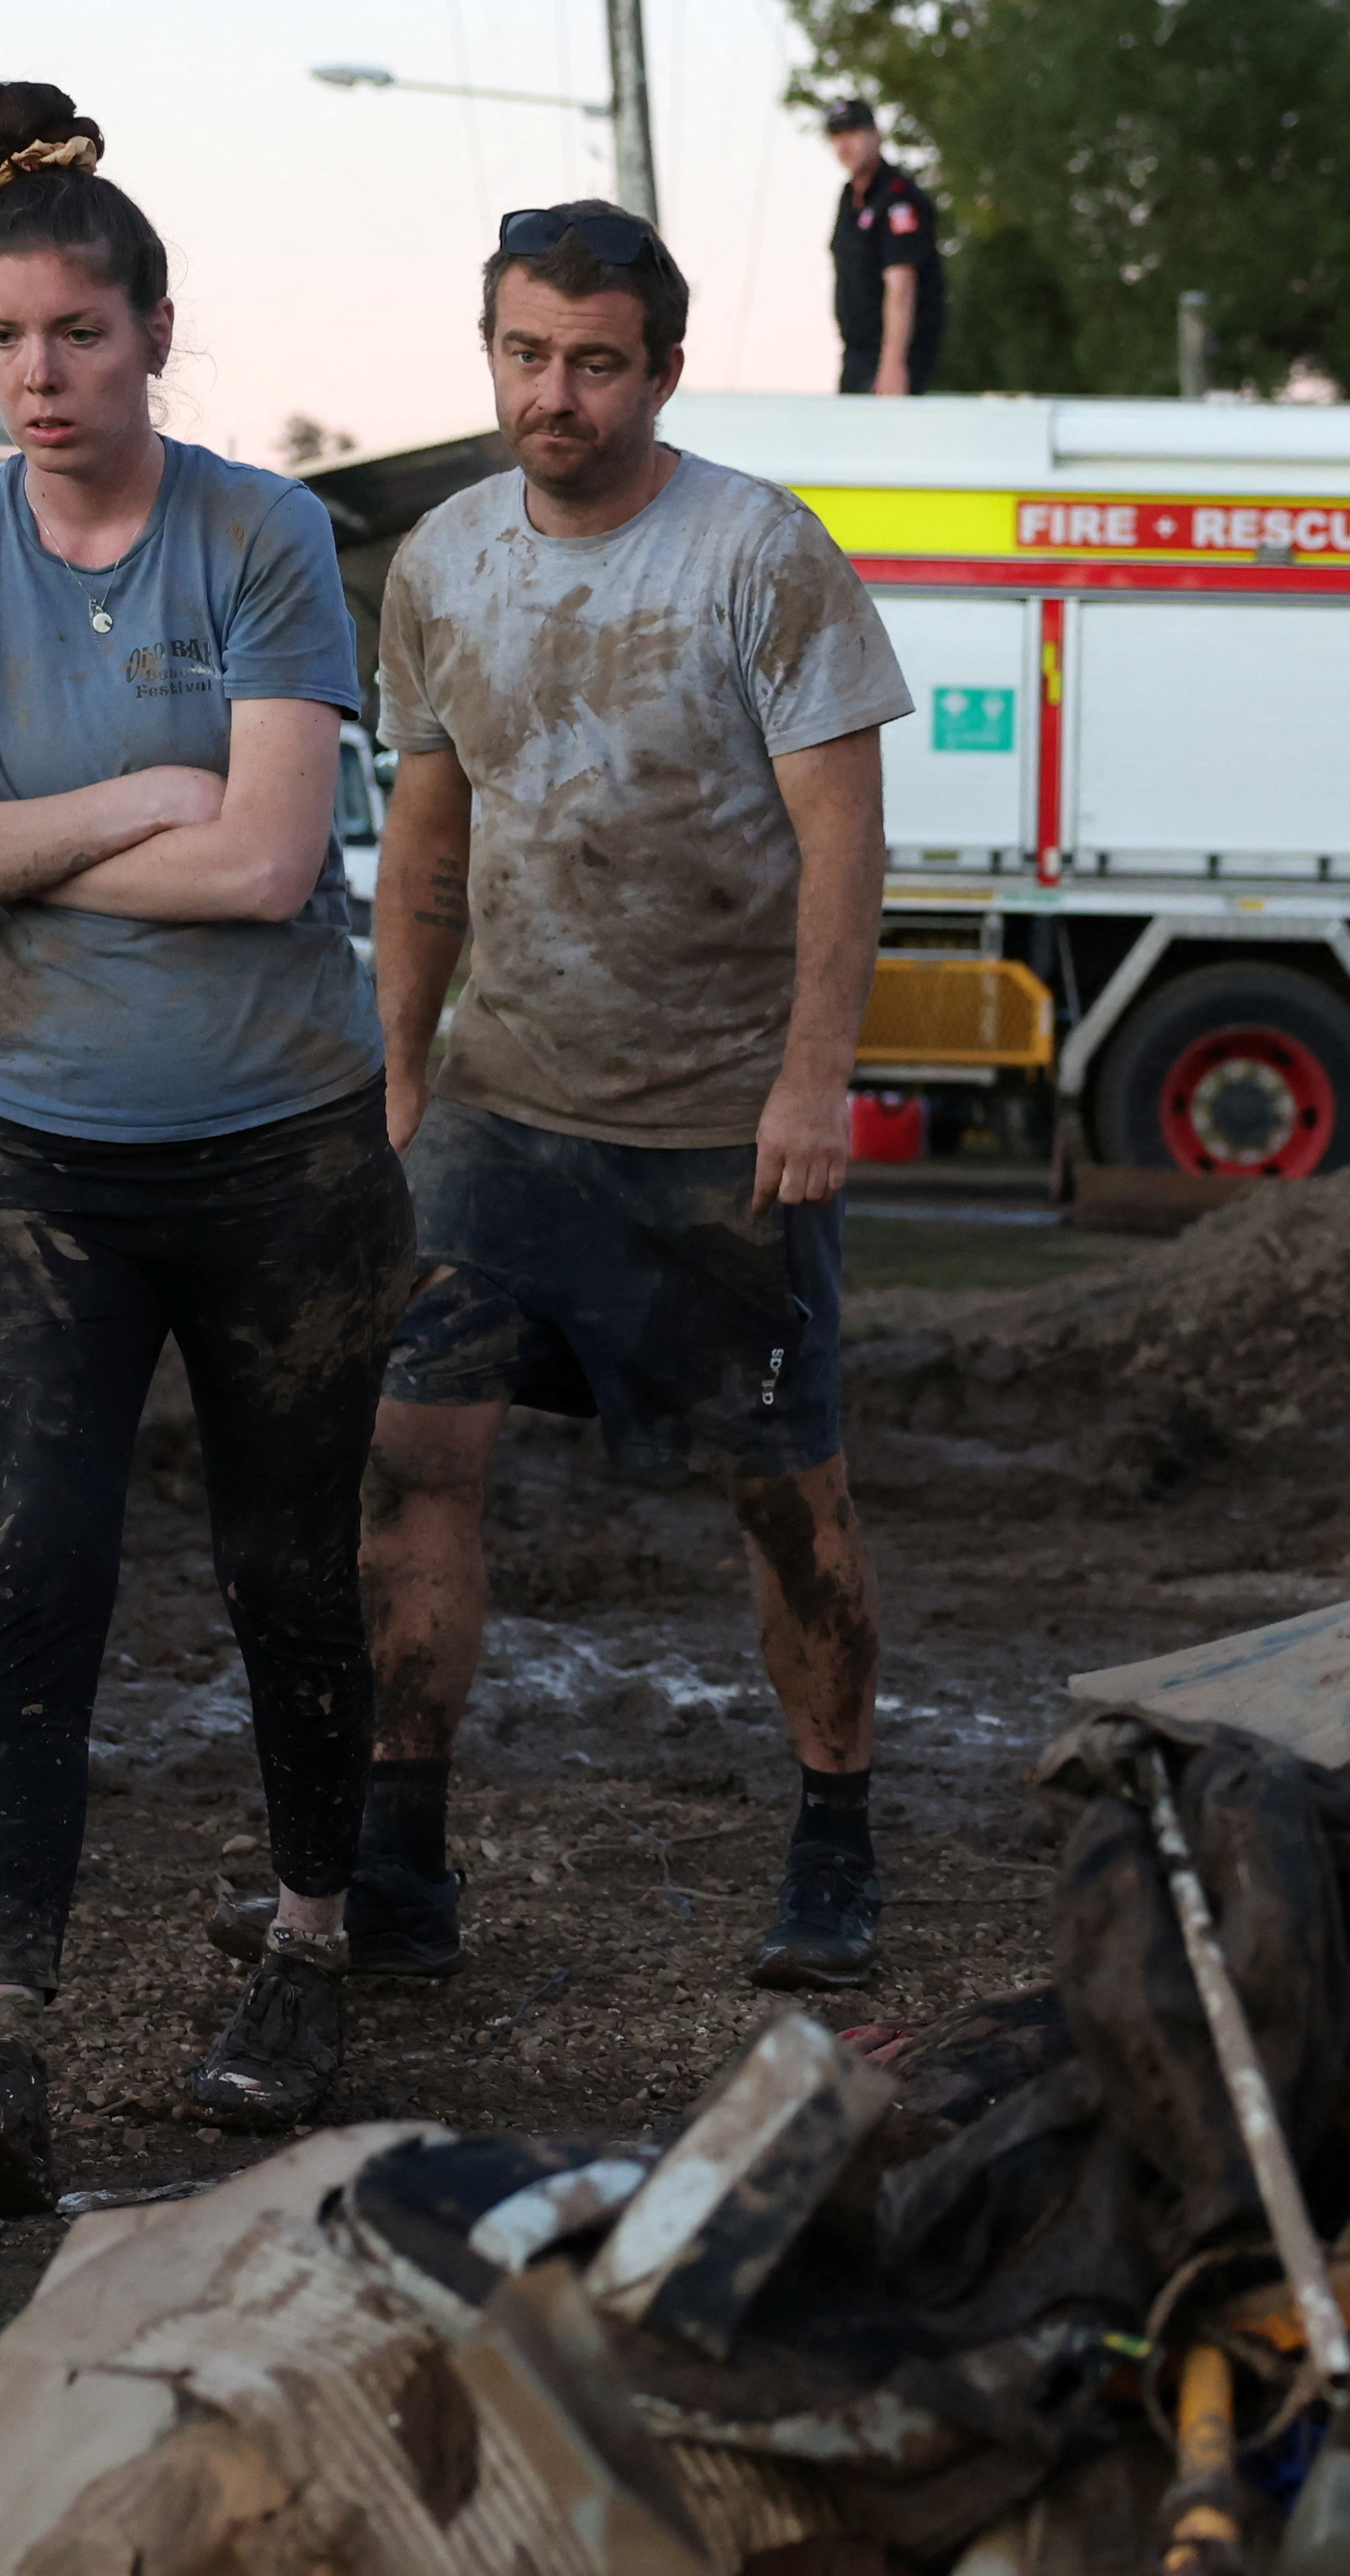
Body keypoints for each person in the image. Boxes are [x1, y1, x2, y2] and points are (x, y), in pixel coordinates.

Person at [0, 80, 411, 2202]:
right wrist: (126, 805)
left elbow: (272, 868)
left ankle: (308, 1938)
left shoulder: (259, 537)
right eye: (5, 340)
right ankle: (4, 2037)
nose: (41, 375)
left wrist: (6, 837)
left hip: (284, 1154)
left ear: (157, 328)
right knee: (36, 1570)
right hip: (39, 1164)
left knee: (285, 1566)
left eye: (79, 333)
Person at [358, 201, 913, 1989]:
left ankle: (834, 1842)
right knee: (412, 1459)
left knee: (782, 1492)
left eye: (596, 362)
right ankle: (402, 1862)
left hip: (717, 1131)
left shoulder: (759, 554)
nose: (557, 394)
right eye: (527, 354)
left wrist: (813, 1084)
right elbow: (423, 844)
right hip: (499, 1113)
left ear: (661, 370)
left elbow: (845, 842)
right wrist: (398, 1078)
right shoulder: (440, 563)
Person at [823, 99, 943, 398]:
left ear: (876, 135)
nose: (844, 145)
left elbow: (901, 284)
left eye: (853, 133)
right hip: (857, 353)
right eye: (836, 136)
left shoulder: (898, 197)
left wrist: (893, 364)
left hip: (893, 354)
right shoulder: (850, 197)